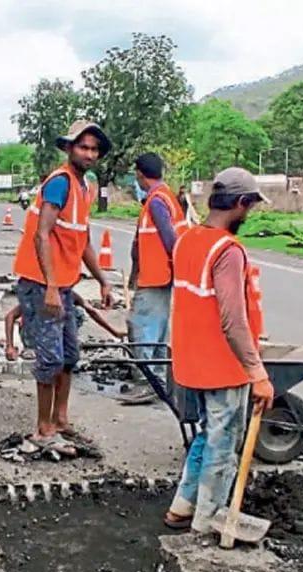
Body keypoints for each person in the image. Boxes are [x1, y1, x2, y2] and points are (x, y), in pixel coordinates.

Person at [165, 167, 274, 533]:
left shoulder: (187, 240)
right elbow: (232, 319)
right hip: (223, 366)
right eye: (250, 207)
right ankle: (207, 520)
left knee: (206, 433)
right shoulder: (227, 250)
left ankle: (183, 506)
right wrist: (258, 373)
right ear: (240, 203)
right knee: (224, 444)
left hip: (190, 361)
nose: (249, 214)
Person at [12, 120, 114, 457]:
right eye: (83, 147)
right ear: (70, 148)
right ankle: (43, 430)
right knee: (51, 358)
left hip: (64, 284)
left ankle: (60, 418)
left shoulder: (85, 187)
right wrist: (52, 287)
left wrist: (103, 280)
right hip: (41, 283)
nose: (89, 154)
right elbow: (42, 234)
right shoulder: (60, 183)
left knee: (70, 355)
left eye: (94, 149)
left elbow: (82, 241)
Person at [125, 153, 189, 404]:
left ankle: (147, 382)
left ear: (140, 174)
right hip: (161, 277)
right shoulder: (165, 196)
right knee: (158, 332)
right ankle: (159, 382)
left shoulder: (156, 201)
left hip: (155, 277)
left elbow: (169, 239)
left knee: (142, 329)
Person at [4, 294, 125, 361]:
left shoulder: (69, 294)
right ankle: (33, 348)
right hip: (34, 334)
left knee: (77, 313)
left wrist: (114, 332)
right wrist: (10, 346)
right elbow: (10, 316)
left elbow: (91, 311)